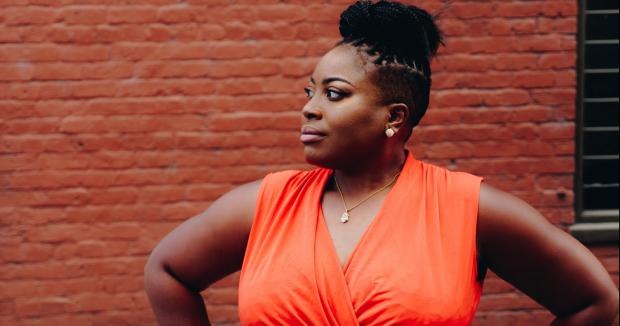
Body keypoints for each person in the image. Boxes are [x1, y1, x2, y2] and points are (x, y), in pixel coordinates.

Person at [144, 1, 619, 325]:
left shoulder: (468, 210)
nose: (310, 108)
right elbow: (167, 270)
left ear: (394, 117)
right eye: (309, 92)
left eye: (334, 94)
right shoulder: (264, 205)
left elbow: (594, 302)